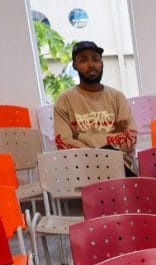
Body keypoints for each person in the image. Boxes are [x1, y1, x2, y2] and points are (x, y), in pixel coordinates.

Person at [52, 40, 136, 172]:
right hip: (82, 170)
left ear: (101, 63)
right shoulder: (64, 101)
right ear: (75, 65)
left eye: (95, 59)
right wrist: (113, 137)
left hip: (119, 168)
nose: (91, 65)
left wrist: (81, 137)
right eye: (83, 60)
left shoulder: (117, 97)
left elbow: (130, 140)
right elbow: (63, 144)